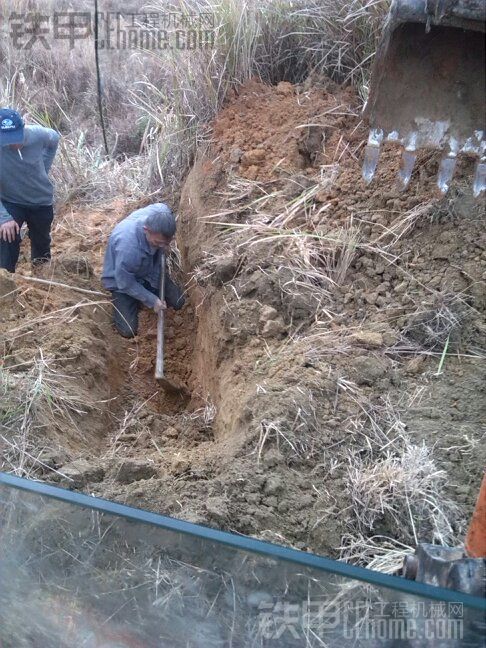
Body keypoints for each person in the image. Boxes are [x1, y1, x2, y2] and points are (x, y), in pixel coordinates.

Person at [102, 203, 185, 338]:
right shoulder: (128, 248)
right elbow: (125, 282)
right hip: (123, 281)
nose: (163, 246)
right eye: (158, 243)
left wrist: (161, 246)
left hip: (150, 270)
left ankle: (143, 294)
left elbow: (163, 207)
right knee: (128, 331)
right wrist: (152, 300)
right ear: (146, 230)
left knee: (179, 302)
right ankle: (133, 300)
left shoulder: (161, 214)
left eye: (166, 243)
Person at [0, 108, 60, 273]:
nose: (14, 143)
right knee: (6, 237)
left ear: (23, 126)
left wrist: (44, 168)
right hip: (11, 200)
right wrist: (4, 218)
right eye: (7, 139)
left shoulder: (38, 134)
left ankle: (41, 278)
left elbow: (54, 139)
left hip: (41, 201)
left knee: (41, 242)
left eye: (16, 136)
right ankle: (5, 280)